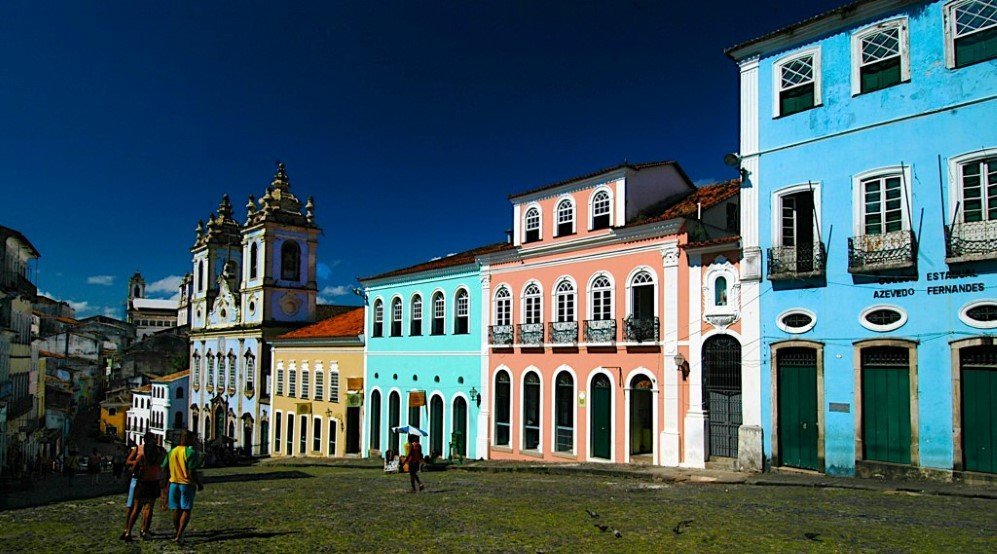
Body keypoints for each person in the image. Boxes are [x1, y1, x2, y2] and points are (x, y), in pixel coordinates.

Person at [120, 433, 166, 541]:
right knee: (149, 508)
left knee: (135, 508)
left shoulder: (141, 454)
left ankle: (128, 531)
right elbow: (163, 464)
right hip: (154, 481)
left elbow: (131, 468)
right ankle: (144, 531)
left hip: (141, 482)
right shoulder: (160, 452)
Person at [161, 431, 204, 544]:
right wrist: (198, 483)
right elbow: (191, 471)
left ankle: (177, 532)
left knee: (176, 509)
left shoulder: (171, 452)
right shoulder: (190, 452)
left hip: (173, 483)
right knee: (186, 509)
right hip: (186, 484)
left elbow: (164, 468)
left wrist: (165, 485)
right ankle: (179, 534)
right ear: (188, 439)